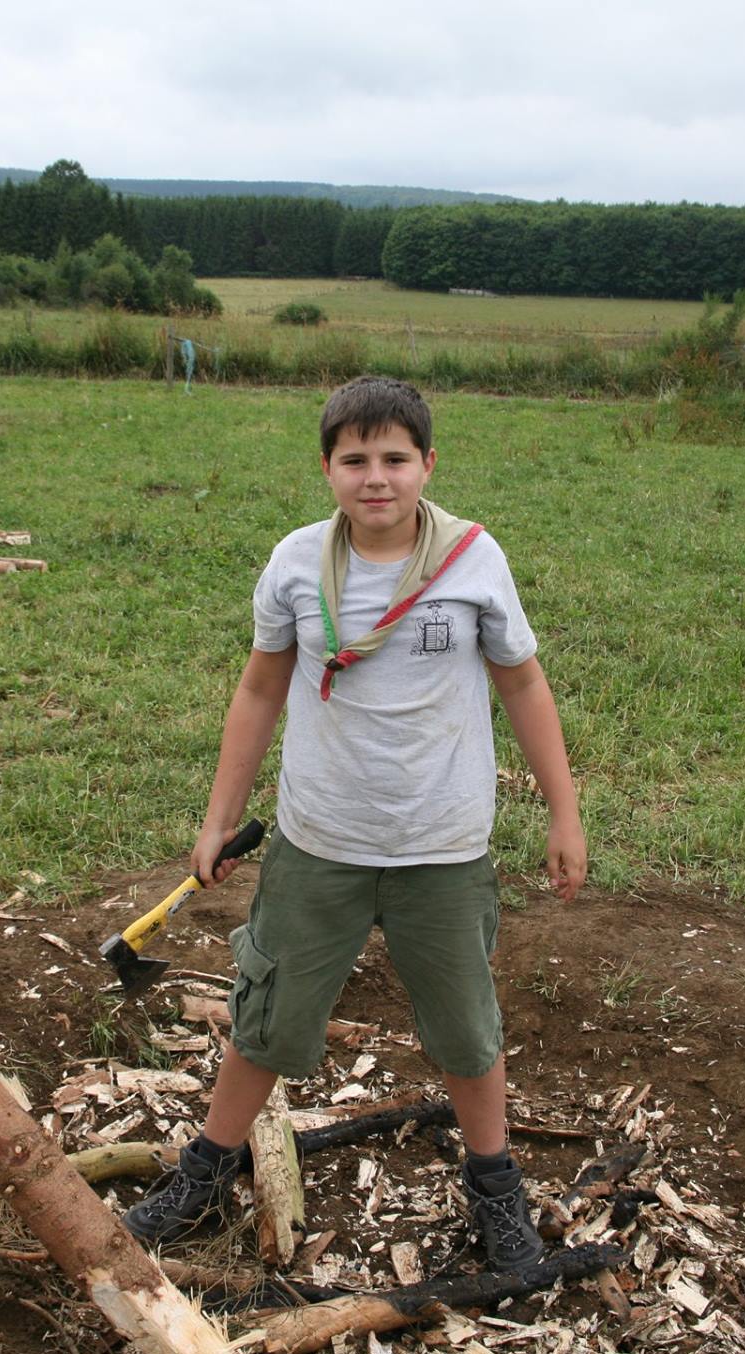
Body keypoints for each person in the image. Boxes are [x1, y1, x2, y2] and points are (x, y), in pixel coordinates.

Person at [123, 375, 587, 1272]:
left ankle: (495, 1189)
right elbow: (260, 687)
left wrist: (564, 815)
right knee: (266, 1016)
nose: (377, 478)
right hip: (318, 840)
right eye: (355, 459)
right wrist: (221, 817)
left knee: (467, 1029)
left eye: (395, 459)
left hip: (443, 847)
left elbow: (523, 683)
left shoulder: (474, 560)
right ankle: (205, 1179)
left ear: (427, 465)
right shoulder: (297, 561)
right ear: (328, 468)